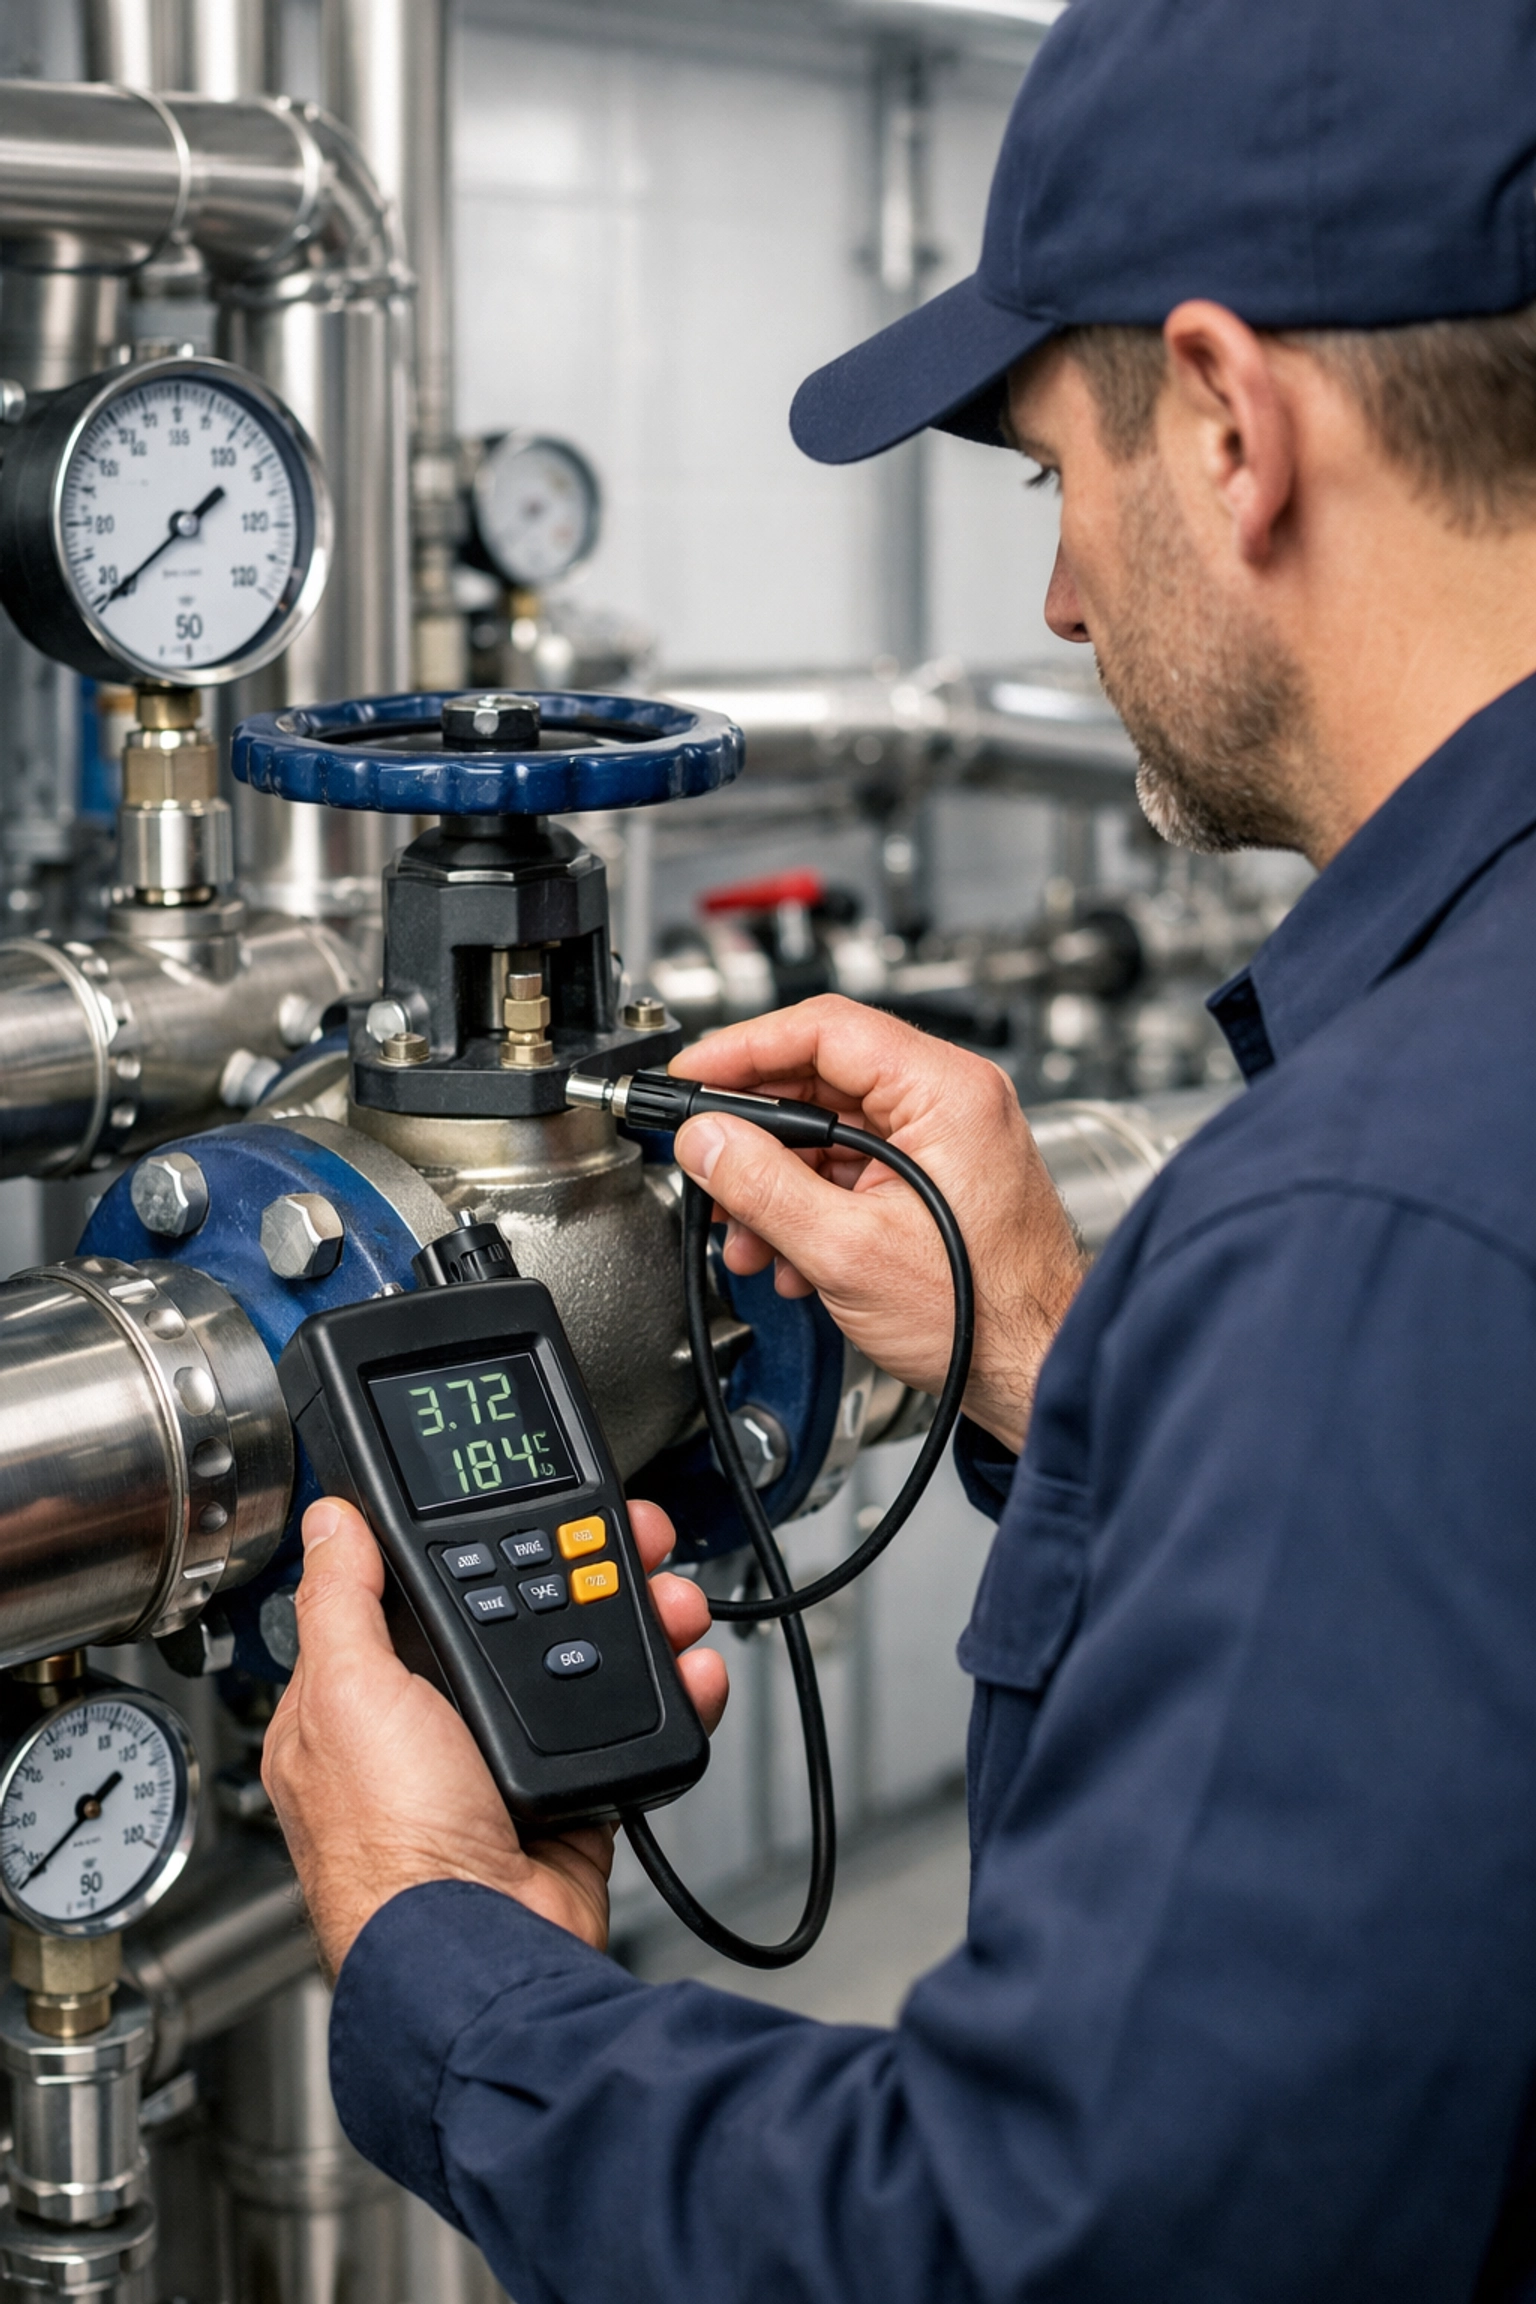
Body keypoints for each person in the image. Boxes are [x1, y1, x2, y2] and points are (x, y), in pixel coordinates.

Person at [263, 0, 1536, 2294]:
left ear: (1230, 422)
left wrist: (444, 1941)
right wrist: (1047, 1352)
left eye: (1054, 479)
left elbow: (1026, 2252)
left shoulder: (1374, 1221)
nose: (1060, 598)